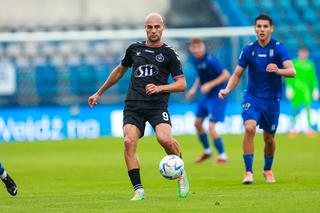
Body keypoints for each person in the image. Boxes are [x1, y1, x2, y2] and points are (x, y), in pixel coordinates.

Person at [88, 13, 190, 200]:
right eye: (149, 27)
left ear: (162, 27)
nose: (153, 31)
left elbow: (182, 84)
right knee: (128, 141)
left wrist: (160, 88)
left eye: (156, 27)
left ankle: (182, 174)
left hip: (157, 106)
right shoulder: (134, 49)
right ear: (145, 28)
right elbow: (120, 70)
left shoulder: (169, 54)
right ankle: (139, 189)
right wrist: (99, 92)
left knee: (165, 139)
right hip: (133, 105)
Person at [218, 14, 296, 184]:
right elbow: (237, 73)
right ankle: (248, 172)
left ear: (271, 28)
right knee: (250, 128)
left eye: (265, 26)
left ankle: (267, 169)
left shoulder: (279, 48)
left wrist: (278, 71)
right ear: (255, 28)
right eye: (259, 26)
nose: (262, 29)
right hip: (252, 96)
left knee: (269, 139)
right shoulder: (248, 49)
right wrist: (227, 89)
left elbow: (292, 71)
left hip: (272, 100)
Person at [186, 38, 230, 164]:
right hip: (207, 97)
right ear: (191, 49)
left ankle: (222, 156)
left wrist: (209, 85)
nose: (197, 50)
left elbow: (226, 75)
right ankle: (207, 151)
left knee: (211, 126)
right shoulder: (195, 61)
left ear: (204, 47)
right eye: (194, 47)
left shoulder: (211, 61)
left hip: (217, 96)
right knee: (197, 123)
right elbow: (201, 76)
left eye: (199, 47)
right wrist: (194, 89)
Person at [285, 47, 319, 136]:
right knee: (294, 108)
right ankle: (294, 127)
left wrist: (315, 88)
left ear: (307, 54)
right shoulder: (294, 63)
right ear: (299, 53)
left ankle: (308, 128)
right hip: (296, 89)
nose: (303, 55)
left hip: (306, 90)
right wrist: (289, 87)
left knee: (308, 108)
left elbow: (313, 78)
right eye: (301, 53)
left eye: (304, 53)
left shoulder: (310, 64)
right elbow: (290, 75)